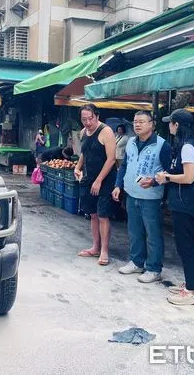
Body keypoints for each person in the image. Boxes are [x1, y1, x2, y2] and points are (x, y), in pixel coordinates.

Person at [112, 111, 172, 283]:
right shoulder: (130, 142)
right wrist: (118, 185)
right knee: (134, 231)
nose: (137, 125)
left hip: (151, 197)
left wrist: (154, 182)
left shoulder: (162, 145)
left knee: (153, 234)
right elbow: (124, 166)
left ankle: (154, 269)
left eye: (142, 122)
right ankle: (137, 262)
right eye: (135, 122)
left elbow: (169, 173)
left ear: (152, 124)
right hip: (131, 194)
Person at [155, 109, 194, 306]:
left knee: (187, 247)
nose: (169, 126)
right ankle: (191, 285)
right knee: (184, 246)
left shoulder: (188, 147)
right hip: (182, 203)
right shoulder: (184, 146)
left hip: (186, 204)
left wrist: (166, 177)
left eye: (170, 123)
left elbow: (189, 177)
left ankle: (192, 291)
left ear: (176, 125)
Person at [74, 104, 117, 266]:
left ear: (97, 116)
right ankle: (95, 247)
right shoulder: (83, 132)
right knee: (92, 214)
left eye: (90, 118)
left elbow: (111, 159)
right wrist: (77, 168)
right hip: (89, 178)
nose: (87, 122)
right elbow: (84, 153)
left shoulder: (106, 131)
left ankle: (104, 250)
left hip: (105, 180)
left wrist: (99, 180)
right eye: (84, 119)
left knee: (103, 214)